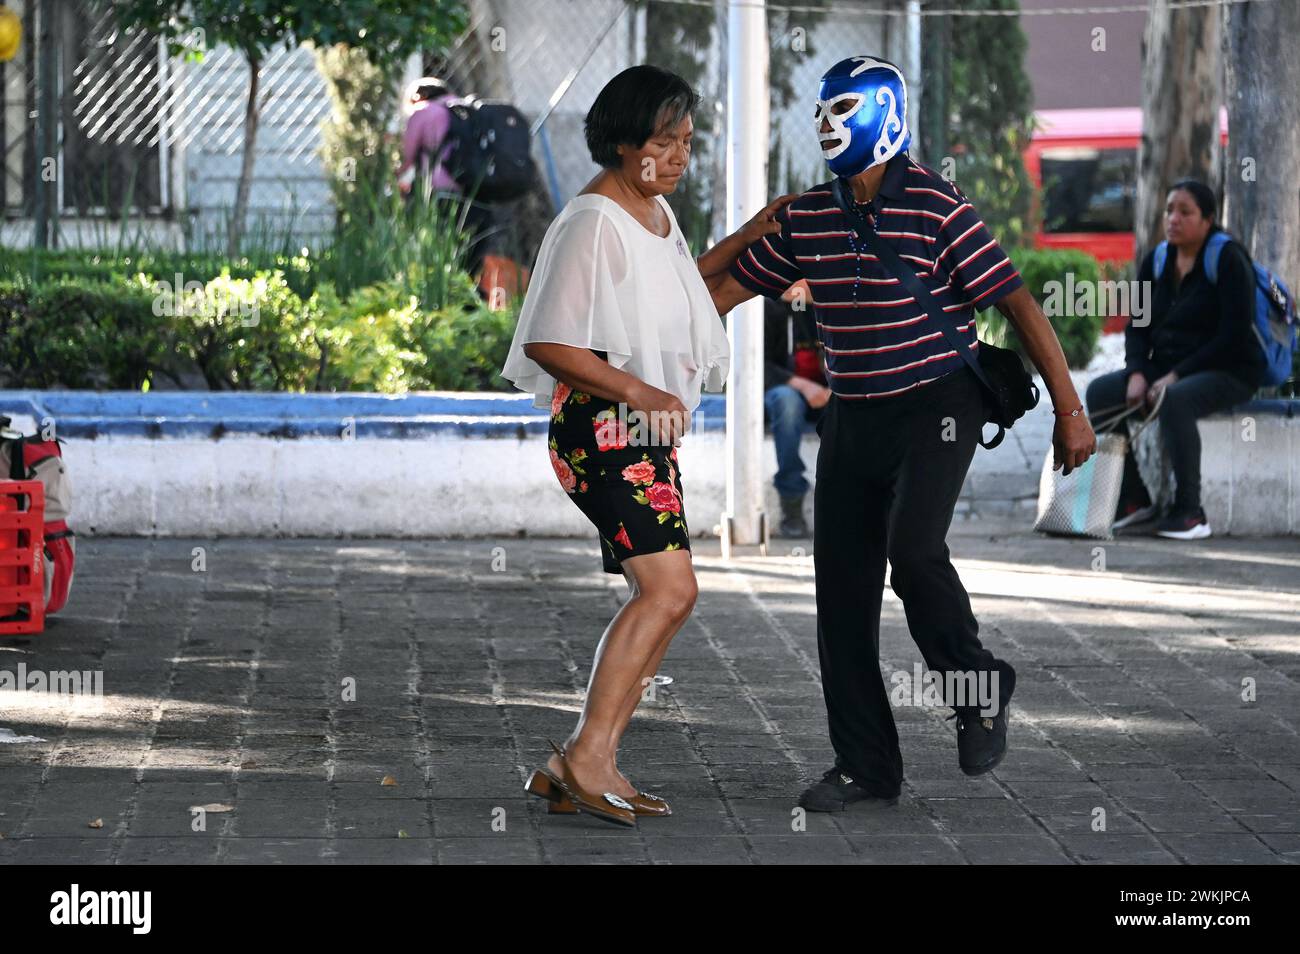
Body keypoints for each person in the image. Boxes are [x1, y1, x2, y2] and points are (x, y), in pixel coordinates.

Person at [706, 55, 1096, 812]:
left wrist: (1071, 410)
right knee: (841, 593)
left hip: (936, 404)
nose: (826, 125)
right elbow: (715, 292)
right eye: (820, 111)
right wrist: (744, 236)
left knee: (913, 551)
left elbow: (1019, 306)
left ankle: (978, 688)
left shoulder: (937, 204)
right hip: (853, 414)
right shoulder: (809, 216)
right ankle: (866, 767)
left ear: (884, 111)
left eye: (842, 108)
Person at [499, 64, 795, 826]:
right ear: (629, 145)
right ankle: (586, 755)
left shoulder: (653, 214)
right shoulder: (593, 220)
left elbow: (671, 298)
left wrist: (745, 240)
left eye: (689, 140)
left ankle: (587, 758)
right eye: (669, 141)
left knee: (663, 595)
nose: (683, 155)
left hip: (638, 433)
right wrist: (641, 391)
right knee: (670, 591)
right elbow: (550, 341)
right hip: (600, 431)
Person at [1086, 178, 1265, 540]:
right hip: (1167, 367)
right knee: (1101, 393)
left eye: (1185, 212)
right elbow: (1137, 325)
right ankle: (1134, 500)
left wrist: (1176, 376)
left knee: (1175, 399)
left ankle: (1190, 513)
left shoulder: (1228, 259)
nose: (1173, 219)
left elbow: (1233, 335)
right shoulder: (1158, 258)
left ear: (1208, 219)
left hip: (1229, 369)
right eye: (1169, 210)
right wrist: (1136, 371)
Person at [397, 76, 495, 279]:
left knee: (439, 257)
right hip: (478, 194)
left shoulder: (423, 111)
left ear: (419, 96)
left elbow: (406, 158)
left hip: (441, 197)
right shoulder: (470, 110)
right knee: (470, 261)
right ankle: (469, 302)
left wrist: (391, 177)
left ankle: (442, 300)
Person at [764, 280, 829, 537]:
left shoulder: (835, 308)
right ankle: (791, 504)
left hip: (827, 393)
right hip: (781, 393)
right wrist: (802, 386)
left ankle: (852, 503)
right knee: (787, 402)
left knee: (856, 408)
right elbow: (757, 366)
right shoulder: (768, 308)